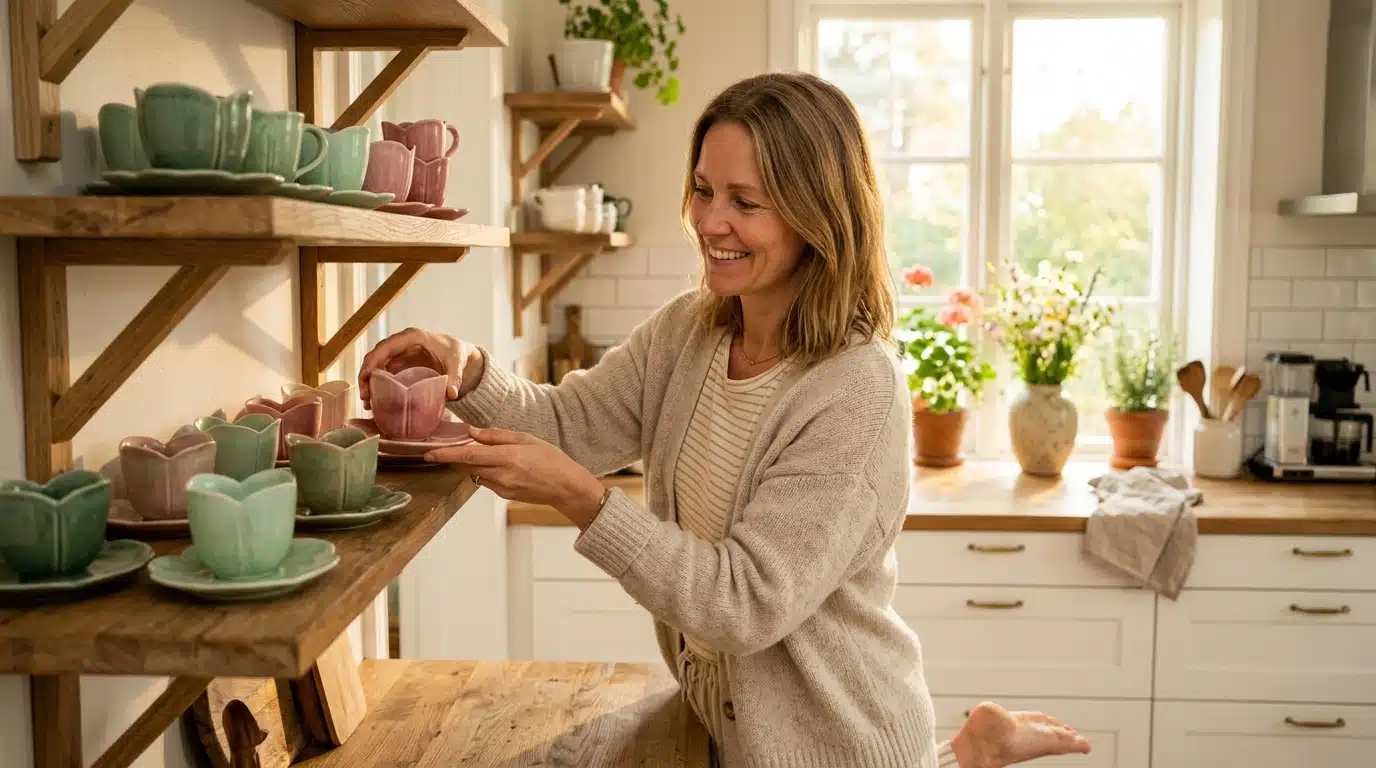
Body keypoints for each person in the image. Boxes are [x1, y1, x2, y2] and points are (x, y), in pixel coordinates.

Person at [358, 72, 1092, 768]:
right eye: (704, 190)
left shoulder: (855, 389)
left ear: (817, 213)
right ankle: (976, 750)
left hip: (841, 741)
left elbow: (740, 604)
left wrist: (581, 497)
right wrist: (471, 368)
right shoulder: (691, 331)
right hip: (718, 722)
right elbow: (571, 421)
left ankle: (970, 751)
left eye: (747, 201)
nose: (711, 221)